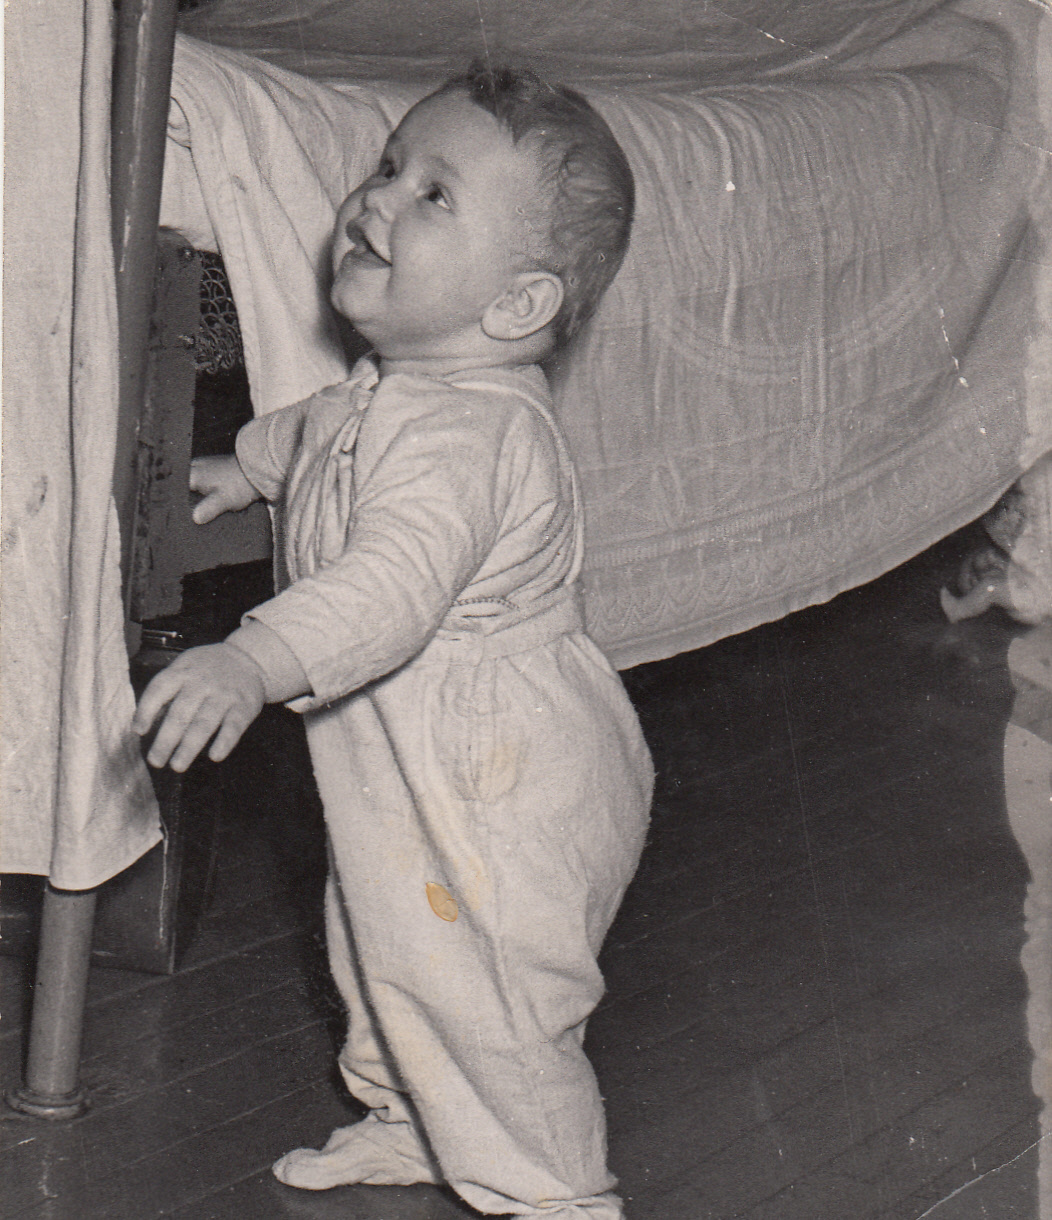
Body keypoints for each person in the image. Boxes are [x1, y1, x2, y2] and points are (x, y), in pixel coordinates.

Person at [134, 63, 653, 1220]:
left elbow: (389, 586)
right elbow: (319, 429)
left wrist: (254, 654)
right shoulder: (394, 388)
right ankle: (411, 1116)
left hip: (499, 779)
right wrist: (246, 466)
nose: (378, 196)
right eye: (387, 166)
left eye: (434, 195)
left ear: (516, 305)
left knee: (491, 994)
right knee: (383, 941)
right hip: (411, 755)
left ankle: (559, 1191)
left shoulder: (473, 437)